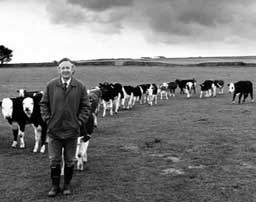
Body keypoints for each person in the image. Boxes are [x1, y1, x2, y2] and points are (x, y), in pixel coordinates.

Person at [40, 58, 91, 197]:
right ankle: (55, 186)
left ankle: (67, 185)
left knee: (70, 160)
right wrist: (48, 120)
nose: (65, 70)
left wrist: (78, 122)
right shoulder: (51, 85)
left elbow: (86, 106)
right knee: (54, 160)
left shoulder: (80, 86)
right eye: (63, 68)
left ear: (73, 69)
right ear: (59, 70)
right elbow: (43, 104)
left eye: (68, 68)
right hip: (54, 131)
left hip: (72, 132)